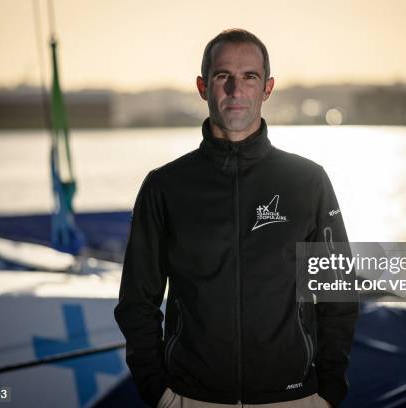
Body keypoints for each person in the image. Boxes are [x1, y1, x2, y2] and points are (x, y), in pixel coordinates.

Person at [114, 28, 358, 408]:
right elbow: (136, 303)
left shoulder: (308, 181)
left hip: (295, 398)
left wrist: (328, 393)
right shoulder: (165, 187)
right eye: (222, 76)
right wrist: (159, 394)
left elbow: (337, 293)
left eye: (249, 76)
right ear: (202, 86)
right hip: (190, 397)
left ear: (268, 88)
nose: (235, 89)